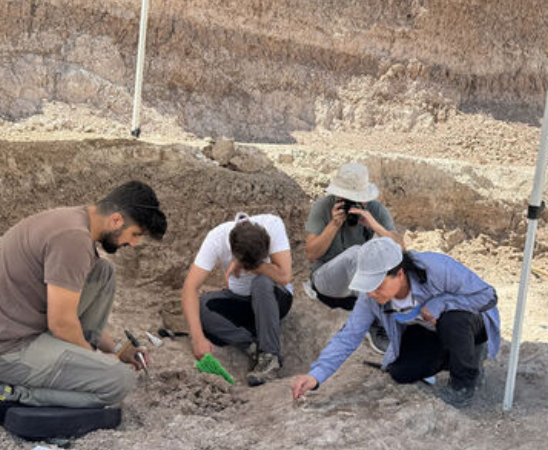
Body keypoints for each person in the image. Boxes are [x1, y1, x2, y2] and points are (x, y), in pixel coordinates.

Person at [0, 181, 167, 408]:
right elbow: (61, 323)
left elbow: (72, 318)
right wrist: (98, 361)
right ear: (116, 220)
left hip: (20, 335)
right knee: (119, 380)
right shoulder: (73, 239)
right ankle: (5, 391)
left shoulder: (74, 222)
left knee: (102, 272)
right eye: (134, 234)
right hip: (3, 353)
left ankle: (78, 361)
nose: (134, 243)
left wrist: (117, 350)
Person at [291, 237, 500, 408]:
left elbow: (488, 296)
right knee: (401, 372)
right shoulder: (370, 296)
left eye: (378, 285)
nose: (371, 292)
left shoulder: (437, 268)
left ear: (399, 273)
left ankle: (464, 383)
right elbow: (349, 335)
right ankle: (464, 357)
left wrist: (442, 303)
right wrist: (315, 376)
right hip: (429, 331)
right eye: (367, 285)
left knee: (453, 320)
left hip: (470, 323)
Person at [181, 212, 293, 387]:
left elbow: (284, 276)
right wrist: (197, 338)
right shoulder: (216, 238)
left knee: (261, 282)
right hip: (241, 302)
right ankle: (253, 346)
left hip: (274, 300)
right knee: (203, 305)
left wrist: (256, 266)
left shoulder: (273, 224)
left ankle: (270, 356)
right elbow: (190, 287)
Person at [304, 162, 403, 354]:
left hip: (357, 290)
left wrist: (374, 225)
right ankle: (374, 324)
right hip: (327, 283)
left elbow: (400, 249)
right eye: (346, 199)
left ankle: (386, 315)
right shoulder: (323, 207)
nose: (351, 205)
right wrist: (333, 224)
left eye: (356, 200)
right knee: (358, 253)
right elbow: (311, 254)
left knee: (388, 257)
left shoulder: (375, 210)